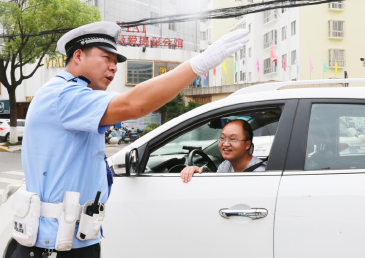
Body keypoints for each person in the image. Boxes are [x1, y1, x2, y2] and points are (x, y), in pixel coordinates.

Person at [19, 21, 248, 258]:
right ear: (78, 55)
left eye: (115, 61)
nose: (114, 67)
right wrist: (197, 65)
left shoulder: (73, 95)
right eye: (106, 57)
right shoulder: (64, 96)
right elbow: (134, 104)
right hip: (54, 246)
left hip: (69, 239)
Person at [180, 120, 266, 183]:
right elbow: (215, 184)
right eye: (222, 138)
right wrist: (197, 170)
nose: (225, 144)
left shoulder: (259, 174)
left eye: (232, 139)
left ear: (247, 144)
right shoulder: (226, 165)